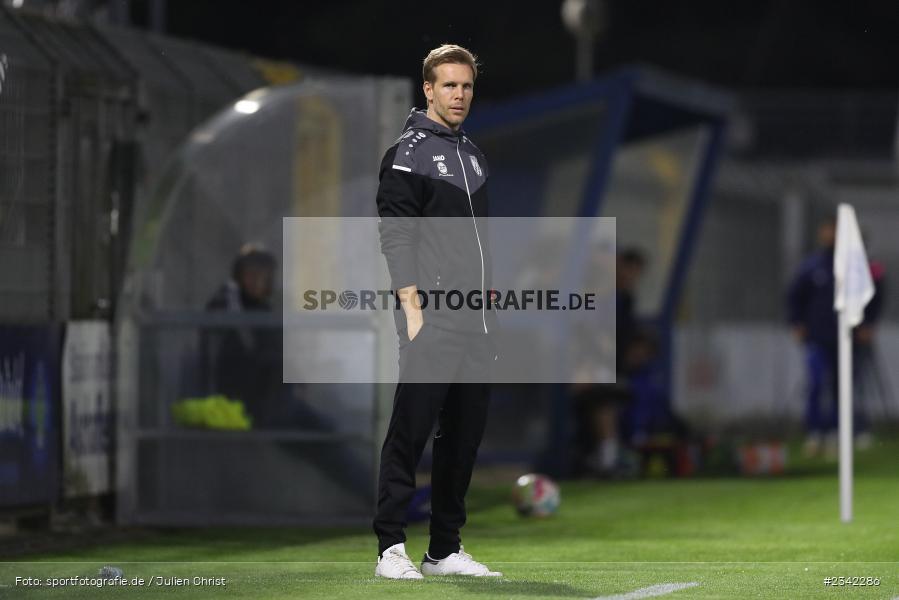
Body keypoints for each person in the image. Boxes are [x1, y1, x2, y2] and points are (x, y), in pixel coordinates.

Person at [372, 44, 501, 580]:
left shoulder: (473, 155)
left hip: (476, 321)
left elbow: (479, 241)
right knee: (412, 430)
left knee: (463, 437)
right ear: (428, 89)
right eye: (449, 85)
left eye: (467, 86)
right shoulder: (408, 152)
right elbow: (397, 234)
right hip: (431, 315)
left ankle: (444, 549)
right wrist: (411, 306)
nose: (459, 95)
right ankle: (390, 549)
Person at [787, 217, 884, 457]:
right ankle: (815, 431)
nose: (828, 235)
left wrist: (868, 324)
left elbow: (874, 295)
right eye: (826, 230)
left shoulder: (859, 266)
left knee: (847, 386)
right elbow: (794, 297)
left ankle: (847, 429)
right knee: (818, 382)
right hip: (818, 337)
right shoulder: (812, 266)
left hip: (849, 337)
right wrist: (797, 323)